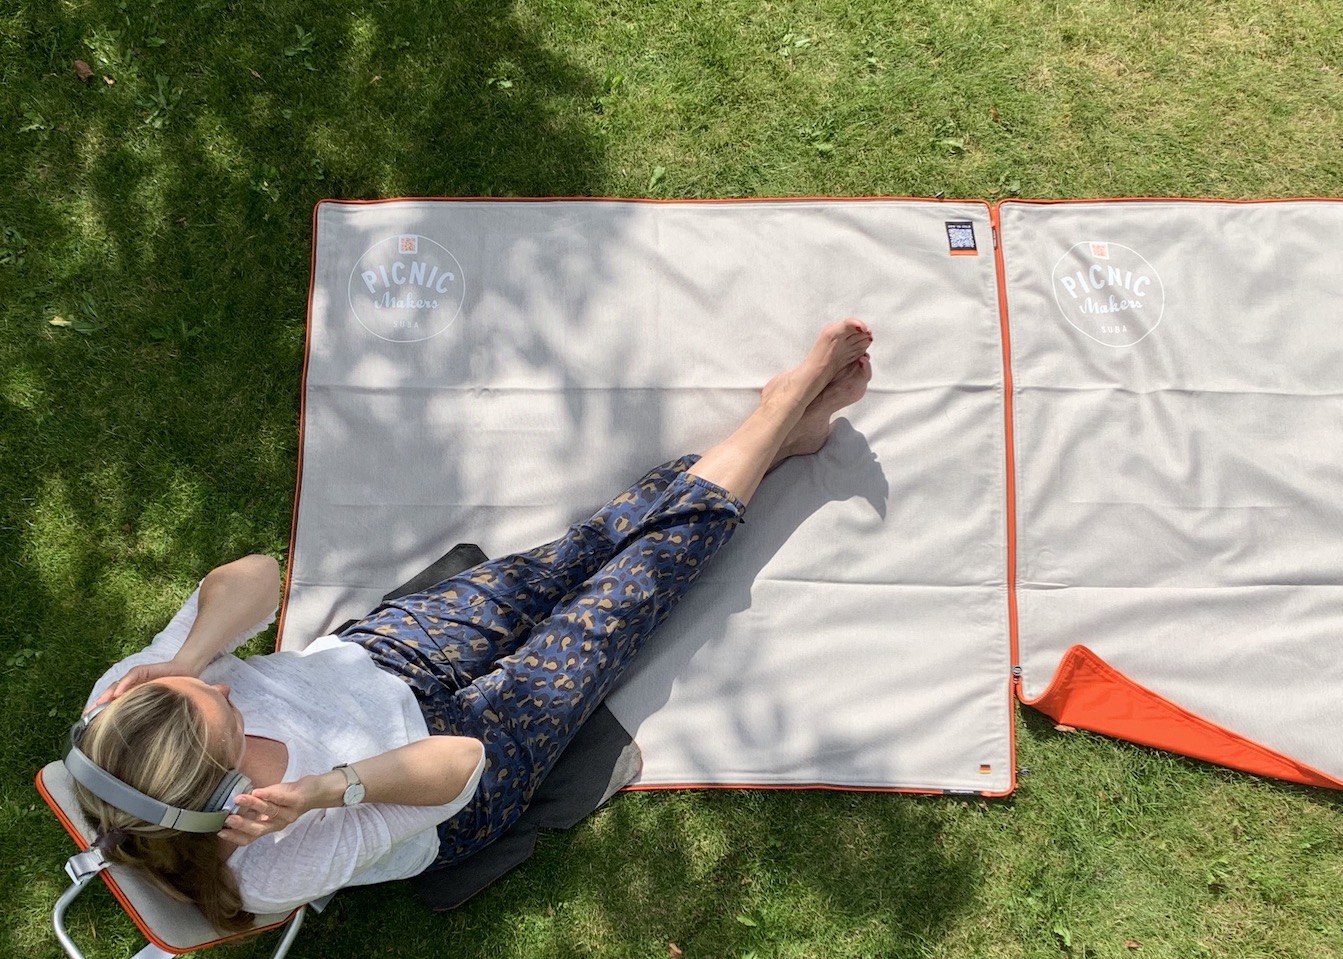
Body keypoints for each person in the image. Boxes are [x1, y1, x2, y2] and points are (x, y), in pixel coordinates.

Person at [72, 319, 875, 930]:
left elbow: (257, 576)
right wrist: (326, 789)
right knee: (626, 593)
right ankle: (778, 414)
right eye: (232, 714)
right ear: (226, 787)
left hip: (383, 656)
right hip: (444, 771)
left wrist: (189, 653)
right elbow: (459, 758)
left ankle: (776, 438)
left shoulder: (130, 708)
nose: (226, 688)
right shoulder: (269, 865)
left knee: (580, 550)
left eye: (208, 688)